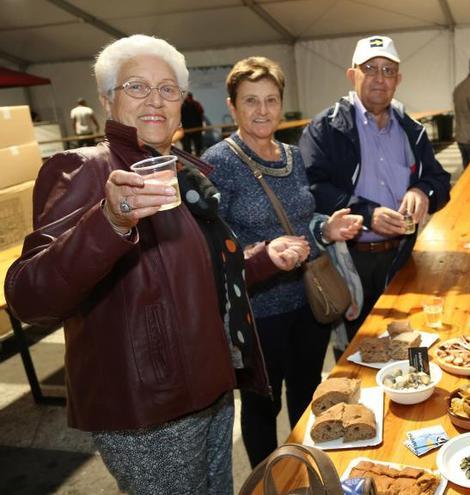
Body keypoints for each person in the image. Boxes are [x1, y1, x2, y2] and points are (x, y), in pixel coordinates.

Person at [3, 35, 305, 494]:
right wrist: (108, 221)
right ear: (107, 99)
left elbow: (199, 274)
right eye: (137, 87)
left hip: (211, 388)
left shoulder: (180, 169)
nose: (155, 100)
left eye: (168, 89)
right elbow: (28, 296)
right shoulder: (85, 169)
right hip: (149, 409)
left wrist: (263, 259)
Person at [201, 56, 363, 468]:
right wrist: (266, 250)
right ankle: (268, 478)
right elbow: (211, 241)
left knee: (307, 391)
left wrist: (326, 228)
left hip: (308, 300)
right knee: (261, 407)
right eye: (250, 100)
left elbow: (299, 219)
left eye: (271, 99)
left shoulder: (291, 155)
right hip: (259, 310)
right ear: (232, 106)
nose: (262, 110)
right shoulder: (219, 162)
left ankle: (305, 468)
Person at [300, 35, 451, 341]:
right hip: (349, 259)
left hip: (402, 257)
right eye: (369, 68)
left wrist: (422, 191)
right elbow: (311, 187)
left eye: (387, 70)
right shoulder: (326, 127)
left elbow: (440, 181)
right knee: (356, 352)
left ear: (398, 79)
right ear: (352, 74)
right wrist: (366, 214)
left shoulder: (411, 129)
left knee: (408, 345)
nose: (379, 79)